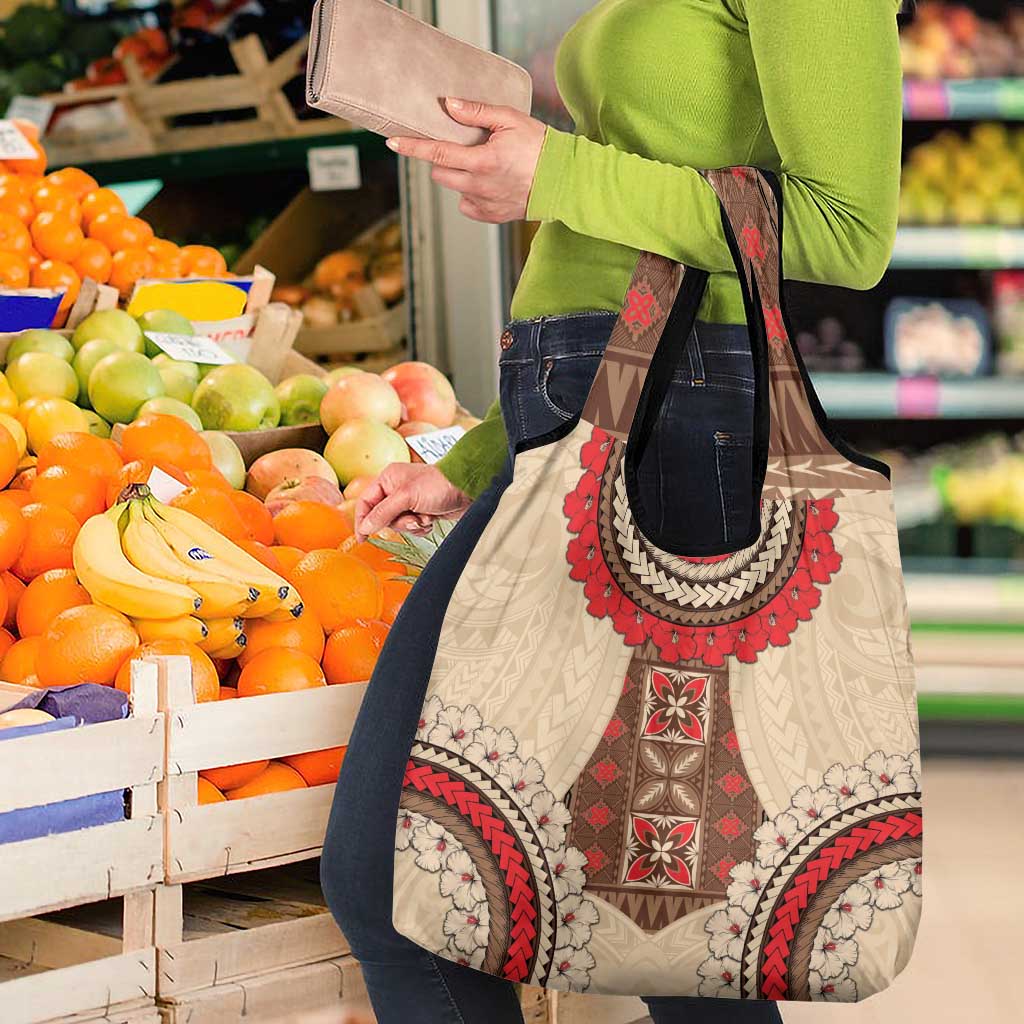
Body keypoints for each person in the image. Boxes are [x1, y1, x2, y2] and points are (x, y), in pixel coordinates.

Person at [321, 2, 905, 1021]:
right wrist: (480, 457)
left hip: (679, 437)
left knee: (670, 933)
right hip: (578, 427)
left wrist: (556, 172)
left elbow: (847, 229)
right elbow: (624, 237)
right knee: (405, 888)